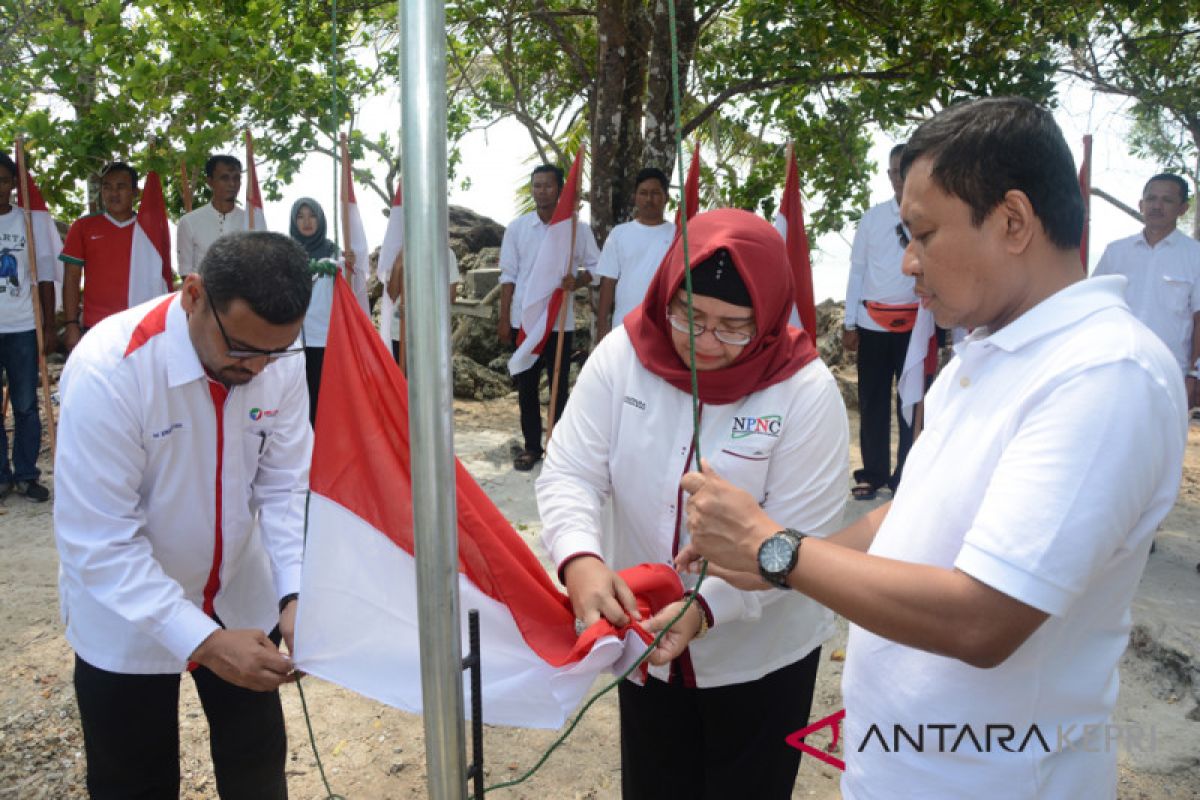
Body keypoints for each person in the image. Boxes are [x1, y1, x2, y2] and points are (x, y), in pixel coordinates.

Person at [679, 97, 1186, 799]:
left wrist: (777, 549)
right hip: (904, 769)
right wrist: (770, 561)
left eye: (921, 234)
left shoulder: (1102, 374)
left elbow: (984, 617)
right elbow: (909, 515)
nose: (909, 263)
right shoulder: (985, 353)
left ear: (1012, 221)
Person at [538, 208, 848, 799]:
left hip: (760, 659)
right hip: (645, 640)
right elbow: (570, 471)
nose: (706, 342)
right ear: (665, 295)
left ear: (768, 318)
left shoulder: (804, 391)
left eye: (734, 327)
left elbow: (799, 540)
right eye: (691, 316)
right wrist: (579, 557)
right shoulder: (622, 355)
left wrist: (705, 608)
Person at [54, 231, 312, 799]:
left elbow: (285, 487)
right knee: (134, 779)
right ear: (194, 294)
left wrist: (294, 593)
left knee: (257, 768)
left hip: (239, 599)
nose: (257, 368)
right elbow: (99, 542)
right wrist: (205, 643)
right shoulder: (110, 370)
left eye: (276, 351)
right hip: (126, 612)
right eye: (241, 348)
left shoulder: (275, 360)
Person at [497, 163, 599, 471]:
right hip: (525, 320)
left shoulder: (576, 230)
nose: (541, 191)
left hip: (558, 321)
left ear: (560, 190)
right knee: (526, 386)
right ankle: (531, 446)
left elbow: (596, 268)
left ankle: (557, 445)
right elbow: (508, 275)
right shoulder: (517, 228)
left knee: (559, 388)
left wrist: (576, 282)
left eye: (548, 185)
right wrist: (503, 319)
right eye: (536, 185)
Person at [843, 143, 918, 500]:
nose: (897, 178)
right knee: (872, 401)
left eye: (904, 169)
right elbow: (858, 271)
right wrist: (849, 321)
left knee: (913, 402)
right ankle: (871, 473)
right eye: (892, 171)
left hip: (920, 325)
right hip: (872, 323)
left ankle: (907, 474)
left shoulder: (931, 216)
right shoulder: (872, 218)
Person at [1092, 173, 1200, 408]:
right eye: (1151, 198)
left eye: (1167, 200)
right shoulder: (1116, 252)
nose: (1157, 206)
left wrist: (1195, 373)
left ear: (1183, 208)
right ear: (1141, 204)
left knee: (1164, 445)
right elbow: (1094, 308)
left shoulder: (1195, 256)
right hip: (1116, 369)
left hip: (1169, 375)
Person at [0, 152, 55, 501]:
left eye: (4, 180)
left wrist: (48, 325)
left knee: (24, 405)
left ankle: (25, 474)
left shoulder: (29, 223)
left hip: (21, 326)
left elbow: (46, 276)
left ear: (13, 184)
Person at [60, 162, 153, 351]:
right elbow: (71, 278)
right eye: (107, 187)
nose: (113, 193)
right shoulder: (83, 227)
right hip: (96, 327)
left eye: (121, 187)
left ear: (135, 192)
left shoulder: (150, 229)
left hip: (141, 327)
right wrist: (71, 324)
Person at [289, 198, 356, 424]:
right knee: (297, 403)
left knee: (324, 400)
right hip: (293, 341)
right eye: (300, 216)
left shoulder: (333, 251)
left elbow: (349, 292)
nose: (307, 221)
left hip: (326, 339)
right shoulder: (286, 252)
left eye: (312, 215)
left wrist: (349, 266)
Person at [594, 167, 675, 343]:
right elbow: (608, 282)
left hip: (664, 326)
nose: (649, 199)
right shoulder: (619, 234)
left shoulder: (679, 235)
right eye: (643, 193)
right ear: (635, 197)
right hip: (624, 326)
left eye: (655, 193)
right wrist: (602, 325)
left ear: (666, 198)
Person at [385, 246, 459, 365]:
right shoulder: (401, 252)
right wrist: (397, 265)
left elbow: (450, 297)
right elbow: (392, 295)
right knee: (402, 381)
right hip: (401, 331)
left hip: (431, 333)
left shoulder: (445, 253)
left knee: (430, 382)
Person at [177, 155, 247, 276]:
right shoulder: (189, 222)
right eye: (224, 178)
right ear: (209, 181)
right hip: (202, 293)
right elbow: (186, 273)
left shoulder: (251, 221)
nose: (232, 184)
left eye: (236, 178)